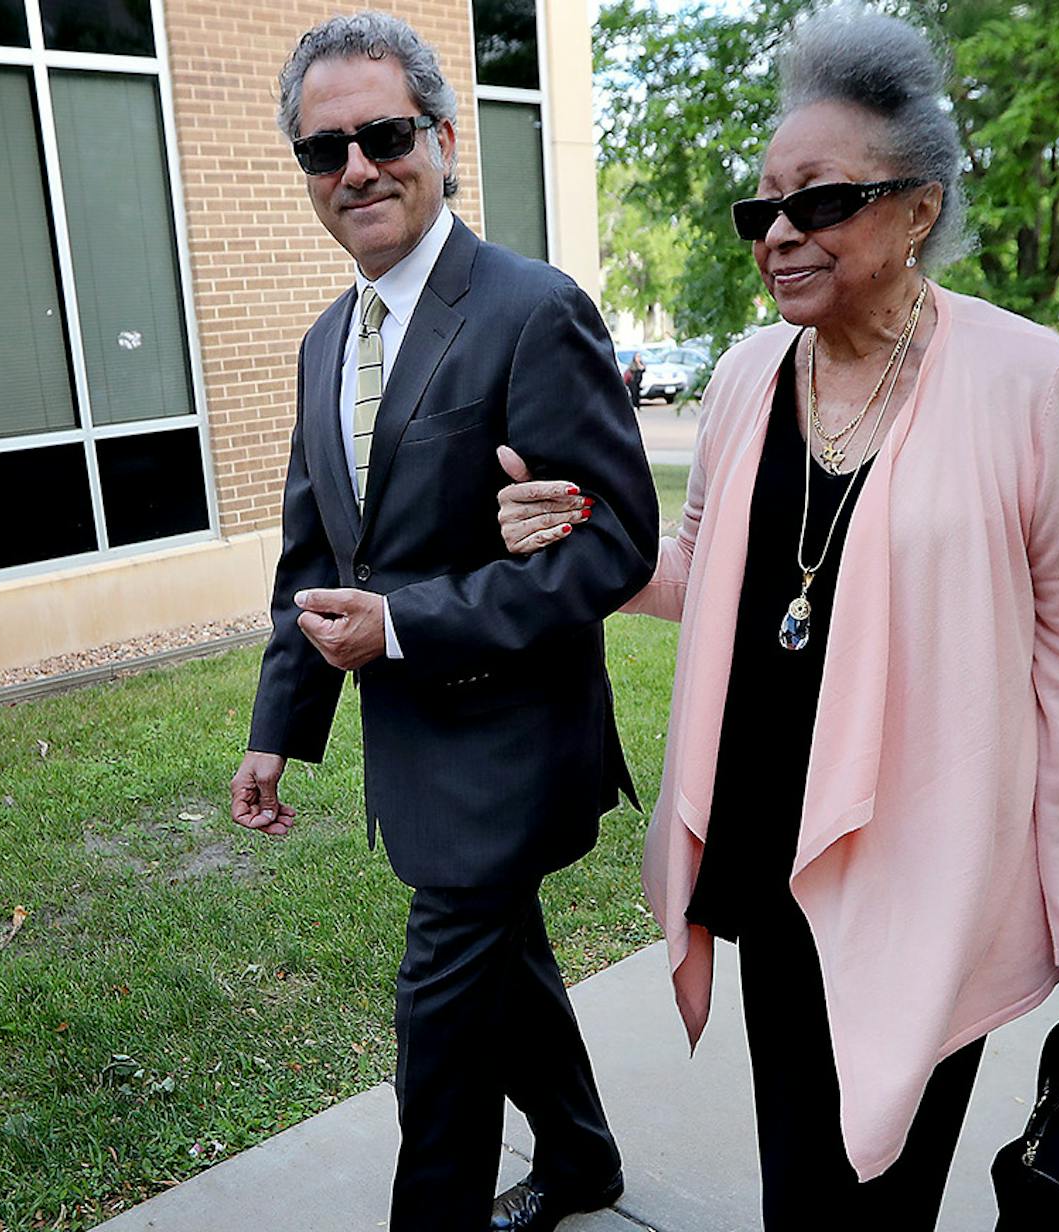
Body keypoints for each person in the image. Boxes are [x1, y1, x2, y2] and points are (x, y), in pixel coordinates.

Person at [492, 5, 1059, 1228]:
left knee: (866, 1187)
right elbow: (702, 572)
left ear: (918, 208)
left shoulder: (1026, 383)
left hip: (920, 867)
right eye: (760, 210)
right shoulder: (750, 372)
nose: (778, 233)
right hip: (767, 856)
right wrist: (584, 539)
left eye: (818, 202)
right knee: (804, 1177)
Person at [227, 13, 660, 1232]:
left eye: (382, 134)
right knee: (507, 975)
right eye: (325, 150)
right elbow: (314, 558)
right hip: (409, 745)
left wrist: (404, 626)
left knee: (442, 1023)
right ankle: (580, 1162)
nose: (355, 167)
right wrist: (279, 727)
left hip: (513, 738)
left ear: (442, 138)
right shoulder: (325, 342)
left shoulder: (532, 309)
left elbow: (615, 544)